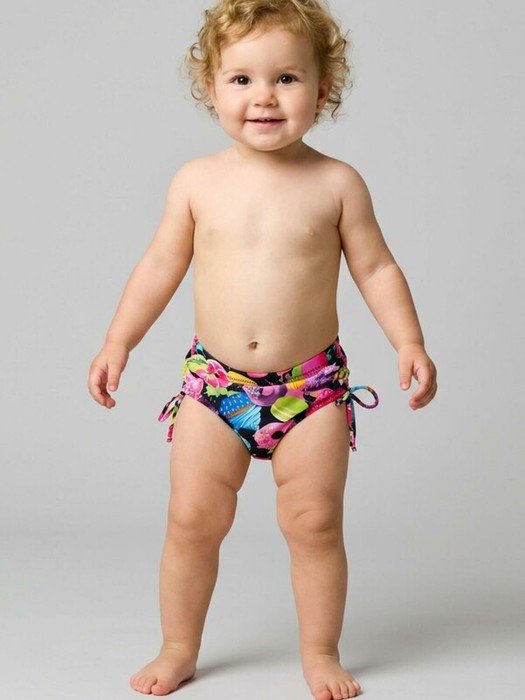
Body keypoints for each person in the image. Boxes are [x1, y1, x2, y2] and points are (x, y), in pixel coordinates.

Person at [88, 1, 437, 698]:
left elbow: (375, 269)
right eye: (242, 79)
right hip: (214, 387)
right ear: (211, 88)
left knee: (314, 523)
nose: (264, 97)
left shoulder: (337, 184)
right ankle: (178, 646)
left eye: (286, 78)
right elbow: (159, 267)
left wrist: (409, 341)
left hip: (311, 391)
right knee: (192, 519)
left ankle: (320, 652)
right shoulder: (196, 182)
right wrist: (117, 341)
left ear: (322, 89)